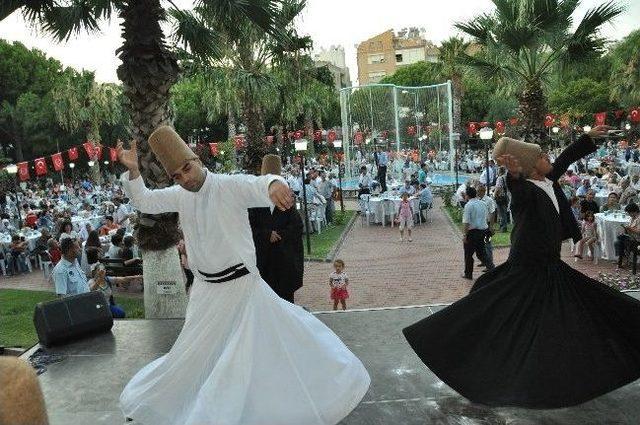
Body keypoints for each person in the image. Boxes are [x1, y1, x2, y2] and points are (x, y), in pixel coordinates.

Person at [117, 126, 369, 425]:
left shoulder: (228, 186)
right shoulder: (179, 195)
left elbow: (258, 184)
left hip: (242, 290)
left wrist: (274, 183)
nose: (185, 178)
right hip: (205, 294)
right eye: (177, 176)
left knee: (248, 356)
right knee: (198, 355)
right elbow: (145, 201)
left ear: (197, 160)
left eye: (187, 169)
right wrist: (133, 171)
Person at [403, 125, 640, 409]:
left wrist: (588, 139)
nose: (547, 157)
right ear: (530, 165)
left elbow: (564, 159)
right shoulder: (525, 189)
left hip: (548, 267)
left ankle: (549, 372)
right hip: (528, 267)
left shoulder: (547, 179)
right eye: (541, 156)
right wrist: (513, 174)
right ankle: (441, 341)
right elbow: (517, 191)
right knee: (502, 310)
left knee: (585, 307)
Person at [248, 155, 304, 303]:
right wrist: (266, 235)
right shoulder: (253, 202)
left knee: (284, 304)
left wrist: (278, 235)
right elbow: (246, 228)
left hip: (282, 265)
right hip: (261, 265)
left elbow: (297, 227)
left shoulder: (287, 200)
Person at [460, 186, 494, 280]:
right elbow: (487, 216)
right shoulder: (482, 203)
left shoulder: (468, 205)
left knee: (468, 254)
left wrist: (465, 235)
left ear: (467, 195)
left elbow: (466, 222)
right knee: (481, 252)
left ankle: (468, 274)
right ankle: (492, 268)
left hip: (473, 232)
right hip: (484, 231)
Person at [614, 202, 640, 269]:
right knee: (618, 241)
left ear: (634, 211)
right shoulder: (632, 218)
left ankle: (623, 259)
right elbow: (629, 229)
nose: (629, 214)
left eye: (629, 212)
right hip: (631, 238)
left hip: (637, 239)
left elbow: (638, 231)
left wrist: (629, 228)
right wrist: (625, 230)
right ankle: (623, 258)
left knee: (620, 241)